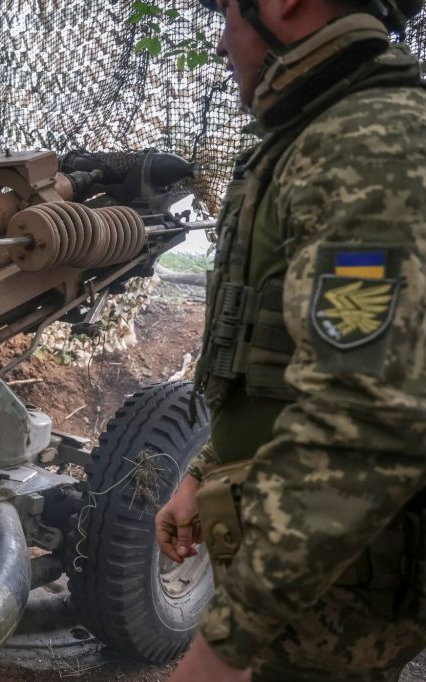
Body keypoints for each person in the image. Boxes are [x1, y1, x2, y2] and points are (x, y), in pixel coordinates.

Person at [154, 0, 426, 680]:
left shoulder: (369, 145)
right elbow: (277, 360)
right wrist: (205, 471)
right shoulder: (312, 137)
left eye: (226, 14)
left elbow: (361, 419)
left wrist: (224, 646)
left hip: (340, 590)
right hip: (309, 576)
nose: (220, 43)